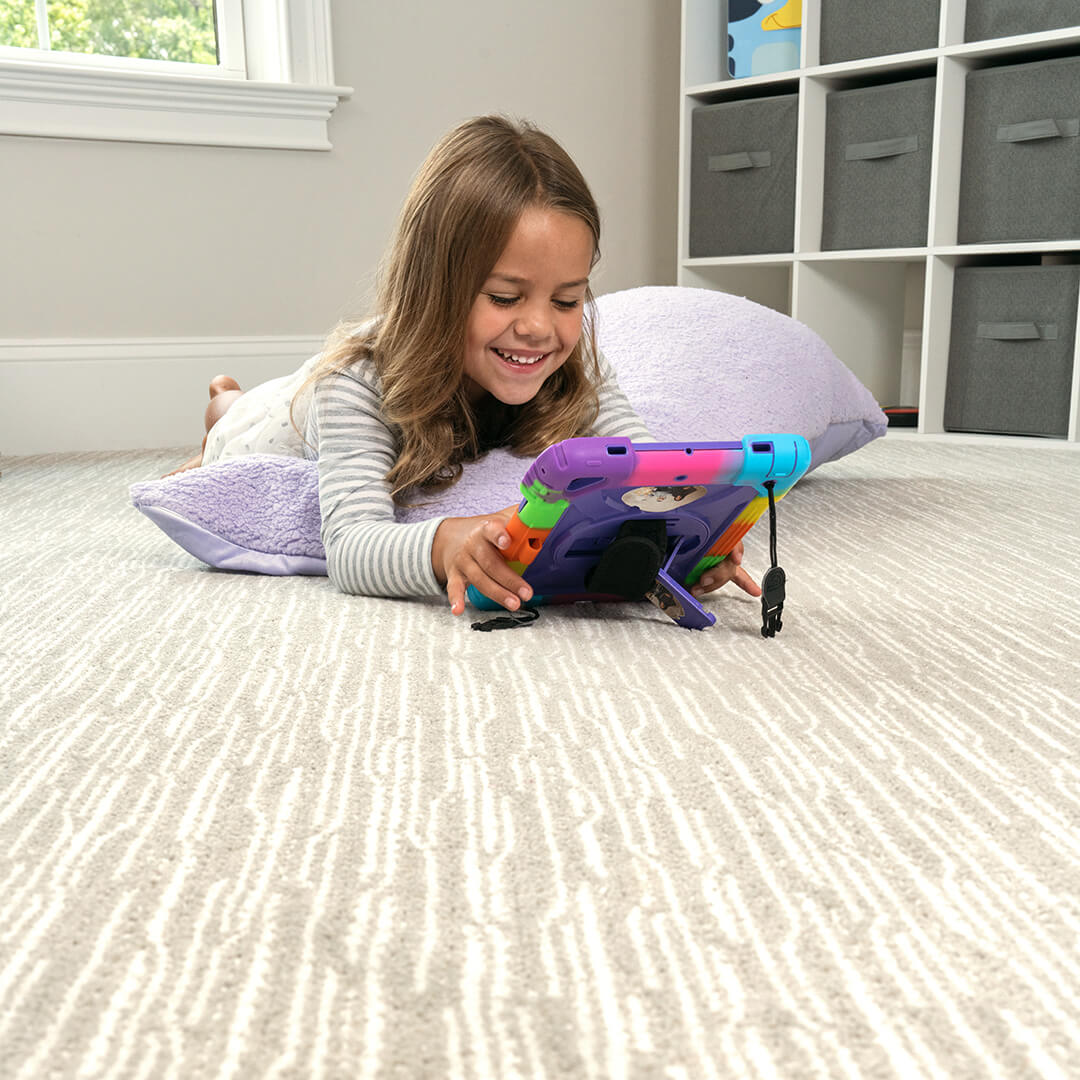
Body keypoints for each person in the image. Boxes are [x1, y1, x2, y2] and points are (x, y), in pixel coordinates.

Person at [170, 115, 761, 615]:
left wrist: (692, 537)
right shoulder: (355, 386)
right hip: (280, 417)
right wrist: (443, 543)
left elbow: (646, 465)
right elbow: (349, 547)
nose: (539, 327)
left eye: (566, 301)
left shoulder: (574, 363)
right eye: (504, 297)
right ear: (433, 287)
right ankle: (222, 399)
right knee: (232, 417)